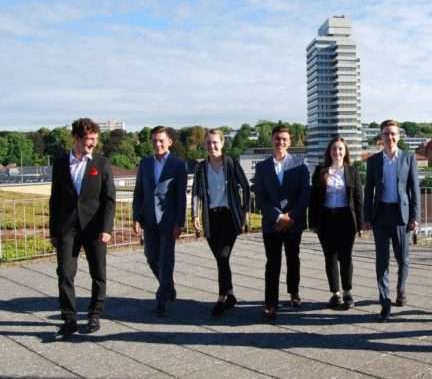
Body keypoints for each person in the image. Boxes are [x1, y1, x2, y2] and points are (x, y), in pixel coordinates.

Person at [49, 118, 116, 339]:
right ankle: (69, 319)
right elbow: (55, 199)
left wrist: (107, 228)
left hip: (95, 228)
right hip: (67, 228)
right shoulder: (60, 163)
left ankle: (94, 315)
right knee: (65, 273)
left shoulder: (101, 163)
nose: (93, 144)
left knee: (98, 273)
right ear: (76, 139)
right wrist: (53, 231)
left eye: (95, 139)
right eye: (89, 139)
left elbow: (109, 199)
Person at [363, 119, 420, 322]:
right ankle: (384, 302)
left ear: (398, 136)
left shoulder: (408, 158)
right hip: (380, 215)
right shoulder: (373, 161)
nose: (390, 137)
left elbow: (415, 190)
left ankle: (401, 289)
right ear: (381, 137)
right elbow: (368, 192)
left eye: (393, 133)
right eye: (386, 133)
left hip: (401, 215)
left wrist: (415, 217)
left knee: (402, 258)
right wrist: (366, 217)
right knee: (382, 260)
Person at [191, 128, 251, 317]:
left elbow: (246, 187)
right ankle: (230, 294)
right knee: (220, 259)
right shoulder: (201, 167)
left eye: (215, 142)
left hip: (229, 217)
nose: (212, 146)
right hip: (211, 218)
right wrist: (195, 215)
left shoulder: (231, 163)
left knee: (223, 257)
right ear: (204, 145)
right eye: (209, 142)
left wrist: (244, 211)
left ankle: (221, 298)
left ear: (222, 143)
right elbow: (196, 192)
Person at [254, 125, 310, 320]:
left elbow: (305, 194)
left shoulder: (300, 165)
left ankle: (294, 292)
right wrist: (279, 216)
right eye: (277, 138)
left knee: (293, 259)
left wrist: (290, 216)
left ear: (289, 141)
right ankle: (271, 303)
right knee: (273, 263)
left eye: (284, 139)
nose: (280, 142)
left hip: (294, 222)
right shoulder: (262, 167)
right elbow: (260, 197)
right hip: (272, 223)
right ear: (272, 139)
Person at [132, 126, 187, 317]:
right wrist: (136, 217)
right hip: (149, 220)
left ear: (169, 142)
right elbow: (139, 192)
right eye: (154, 140)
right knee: (151, 257)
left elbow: (181, 197)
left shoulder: (178, 165)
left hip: (168, 220)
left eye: (161, 140)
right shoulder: (145, 163)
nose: (157, 144)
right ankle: (168, 285)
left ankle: (161, 300)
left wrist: (179, 222)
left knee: (166, 260)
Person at [309, 137, 363, 310]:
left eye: (340, 149)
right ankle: (335, 293)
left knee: (346, 257)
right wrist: (312, 222)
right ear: (329, 152)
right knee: (330, 257)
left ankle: (347, 292)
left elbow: (358, 198)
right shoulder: (320, 171)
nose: (337, 152)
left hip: (346, 219)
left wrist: (361, 224)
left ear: (345, 152)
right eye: (334, 149)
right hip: (326, 219)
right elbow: (313, 199)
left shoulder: (352, 171)